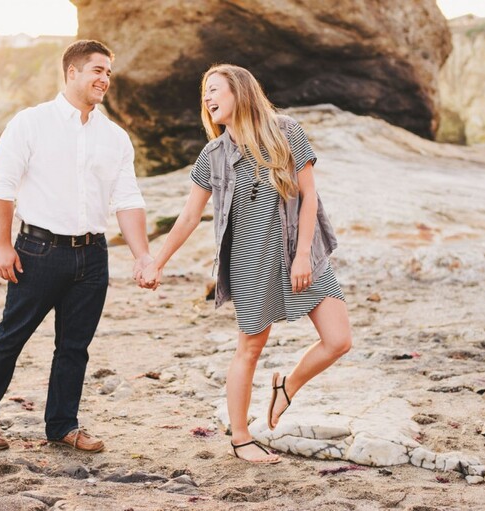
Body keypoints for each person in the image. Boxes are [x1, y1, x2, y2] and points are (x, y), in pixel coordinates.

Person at [141, 64, 352, 464]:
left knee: (339, 339)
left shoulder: (286, 131)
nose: (207, 99)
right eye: (205, 93)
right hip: (249, 261)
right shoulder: (212, 155)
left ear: (240, 92)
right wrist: (158, 261)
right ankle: (241, 437)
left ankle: (287, 386)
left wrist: (304, 253)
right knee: (250, 349)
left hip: (298, 251)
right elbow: (188, 217)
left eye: (214, 90)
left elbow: (310, 196)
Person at [0, 40, 152, 453]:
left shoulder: (115, 137)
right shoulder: (30, 123)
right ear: (71, 73)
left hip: (93, 256)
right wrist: (1, 245)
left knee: (74, 347)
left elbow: (128, 199)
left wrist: (143, 255)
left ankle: (63, 425)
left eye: (108, 73)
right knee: (12, 335)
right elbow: (2, 186)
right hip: (38, 251)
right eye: (96, 70)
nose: (104, 79)